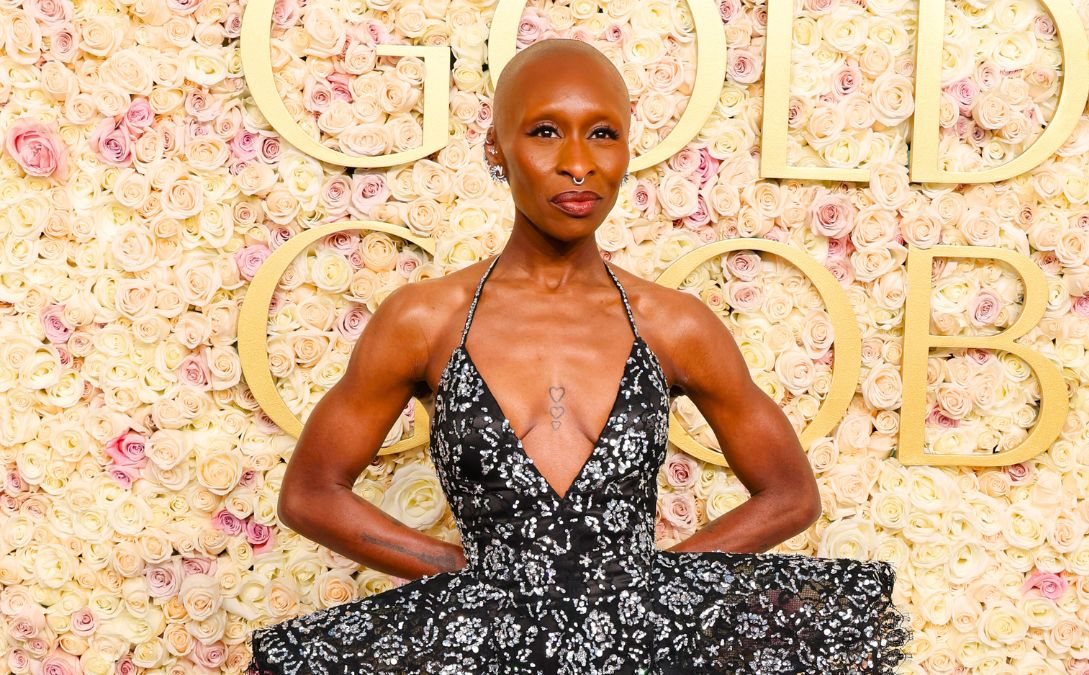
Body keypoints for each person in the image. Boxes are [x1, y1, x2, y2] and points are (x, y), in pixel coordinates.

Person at [249, 39, 911, 674]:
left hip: (643, 651)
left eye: (602, 133)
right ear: (495, 148)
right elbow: (311, 492)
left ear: (627, 148)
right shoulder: (426, 320)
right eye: (544, 132)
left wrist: (653, 585)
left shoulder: (673, 325)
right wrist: (465, 574)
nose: (578, 161)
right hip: (482, 648)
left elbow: (790, 493)